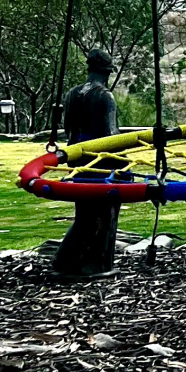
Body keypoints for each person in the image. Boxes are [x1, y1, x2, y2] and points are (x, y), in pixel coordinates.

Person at [52, 49, 122, 280]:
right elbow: (110, 136)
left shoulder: (72, 94)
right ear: (107, 72)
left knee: (84, 215)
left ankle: (67, 260)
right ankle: (98, 263)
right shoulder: (104, 96)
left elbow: (68, 130)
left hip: (79, 160)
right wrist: (124, 164)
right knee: (107, 214)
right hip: (101, 161)